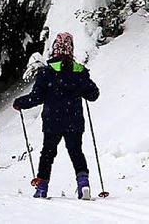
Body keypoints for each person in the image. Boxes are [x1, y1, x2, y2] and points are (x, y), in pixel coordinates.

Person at [13, 32, 100, 199]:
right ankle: (83, 184)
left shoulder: (47, 72)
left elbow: (37, 97)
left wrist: (20, 102)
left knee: (48, 153)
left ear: (54, 50)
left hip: (53, 120)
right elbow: (93, 95)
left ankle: (42, 187)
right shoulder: (80, 72)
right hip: (74, 120)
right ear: (71, 50)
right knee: (76, 152)